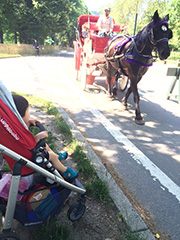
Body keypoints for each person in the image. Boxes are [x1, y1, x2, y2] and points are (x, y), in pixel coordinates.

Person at [12, 94, 77, 180]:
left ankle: (56, 158)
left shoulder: (12, 126)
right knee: (50, 156)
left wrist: (27, 122)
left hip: (23, 152)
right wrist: (39, 136)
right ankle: (65, 172)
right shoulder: (16, 132)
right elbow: (28, 144)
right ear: (20, 116)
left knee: (45, 146)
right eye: (28, 112)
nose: (29, 115)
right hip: (27, 157)